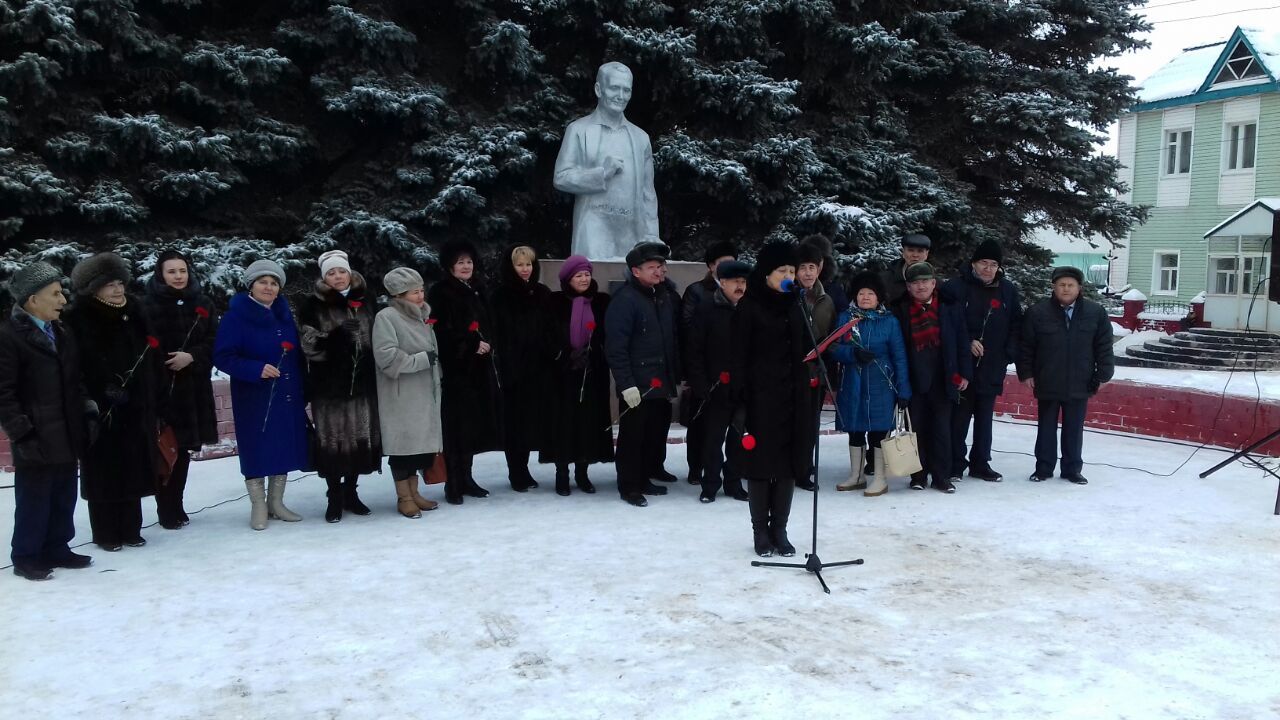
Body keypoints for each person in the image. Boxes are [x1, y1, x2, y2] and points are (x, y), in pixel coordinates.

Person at [1, 262, 96, 580]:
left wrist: (87, 411)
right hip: (35, 434)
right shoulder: (9, 337)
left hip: (67, 430)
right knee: (34, 496)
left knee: (64, 492)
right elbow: (3, 393)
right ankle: (26, 555)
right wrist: (21, 433)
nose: (62, 300)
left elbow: (77, 379)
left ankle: (57, 546)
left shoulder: (62, 332)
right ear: (32, 300)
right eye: (55, 294)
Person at [63, 253, 161, 552]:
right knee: (105, 467)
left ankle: (131, 528)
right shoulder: (78, 316)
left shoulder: (135, 309)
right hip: (102, 404)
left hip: (135, 402)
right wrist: (100, 389)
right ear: (93, 288)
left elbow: (149, 351)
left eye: (120, 282)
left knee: (133, 463)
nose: (118, 289)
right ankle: (106, 531)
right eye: (110, 284)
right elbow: (76, 363)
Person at [730, 242, 820, 557]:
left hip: (792, 396)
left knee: (786, 467)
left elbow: (805, 348)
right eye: (782, 270)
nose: (789, 276)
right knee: (761, 466)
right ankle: (760, 532)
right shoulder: (749, 306)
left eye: (792, 271)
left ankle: (779, 529)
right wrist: (739, 401)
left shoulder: (795, 304)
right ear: (767, 273)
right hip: (759, 398)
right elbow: (738, 355)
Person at [213, 259, 309, 530]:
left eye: (274, 283)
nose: (268, 287)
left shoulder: (284, 314)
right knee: (256, 446)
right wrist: (255, 368)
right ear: (251, 286)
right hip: (253, 395)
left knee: (283, 444)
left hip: (286, 393)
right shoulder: (235, 317)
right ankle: (258, 504)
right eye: (262, 282)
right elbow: (223, 356)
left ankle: (277, 503)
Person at [297, 250, 382, 523]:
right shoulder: (312, 304)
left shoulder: (365, 299)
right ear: (324, 277)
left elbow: (378, 336)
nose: (337, 277)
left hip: (363, 382)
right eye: (331, 273)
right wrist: (336, 337)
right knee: (333, 441)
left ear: (349, 273)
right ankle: (333, 496)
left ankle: (351, 493)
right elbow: (308, 344)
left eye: (341, 271)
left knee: (358, 438)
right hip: (330, 385)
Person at [142, 250, 219, 529]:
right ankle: (165, 507)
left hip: (193, 387)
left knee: (183, 449)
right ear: (160, 274)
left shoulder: (203, 303)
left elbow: (214, 341)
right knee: (165, 447)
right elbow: (143, 346)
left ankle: (178, 503)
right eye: (171, 271)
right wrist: (164, 362)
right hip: (162, 388)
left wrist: (193, 356)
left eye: (182, 271)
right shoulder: (146, 305)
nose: (178, 276)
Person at [1018, 267, 1115, 485]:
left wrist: (1104, 375)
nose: (1066, 289)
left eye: (1071, 285)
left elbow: (1104, 346)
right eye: (1061, 284)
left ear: (1079, 288)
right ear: (1054, 287)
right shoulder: (1038, 312)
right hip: (1048, 378)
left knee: (1074, 428)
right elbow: (1026, 346)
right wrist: (1026, 373)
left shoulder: (1095, 313)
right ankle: (1043, 468)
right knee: (1046, 428)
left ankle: (1072, 469)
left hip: (1080, 380)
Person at [553, 62, 660, 259]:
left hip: (633, 231)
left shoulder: (640, 137)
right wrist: (601, 173)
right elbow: (561, 177)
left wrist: (652, 234)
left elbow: (648, 194)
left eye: (626, 90)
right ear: (598, 89)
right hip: (594, 227)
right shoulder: (579, 130)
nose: (621, 96)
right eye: (614, 88)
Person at [605, 240, 681, 507]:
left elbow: (669, 340)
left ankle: (644, 477)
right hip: (637, 385)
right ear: (636, 271)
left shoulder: (661, 296)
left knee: (652, 435)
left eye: (661, 266)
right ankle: (629, 485)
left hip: (659, 383)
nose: (659, 271)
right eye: (652, 267)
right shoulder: (625, 300)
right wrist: (626, 384)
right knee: (633, 437)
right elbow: (616, 347)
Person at [940, 239, 1022, 482]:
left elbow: (1017, 324)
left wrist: (1008, 353)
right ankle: (956, 463)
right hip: (963, 365)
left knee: (985, 419)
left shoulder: (1007, 289)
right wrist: (966, 343)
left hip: (993, 364)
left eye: (993, 264)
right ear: (973, 263)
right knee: (959, 417)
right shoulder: (954, 287)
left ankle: (981, 463)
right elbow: (947, 322)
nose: (988, 268)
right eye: (984, 263)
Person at [428, 240, 503, 505]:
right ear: (450, 266)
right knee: (455, 427)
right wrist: (471, 344)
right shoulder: (440, 292)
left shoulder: (478, 289)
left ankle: (468, 477)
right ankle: (453, 482)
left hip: (479, 370)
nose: (466, 266)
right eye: (460, 262)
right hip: (456, 370)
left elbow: (489, 322)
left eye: (469, 261)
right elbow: (439, 330)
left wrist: (489, 341)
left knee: (472, 426)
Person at [888, 262, 971, 494]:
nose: (921, 286)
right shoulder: (900, 310)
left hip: (944, 377)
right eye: (915, 282)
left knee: (942, 430)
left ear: (934, 283)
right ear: (908, 286)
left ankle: (942, 477)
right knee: (916, 429)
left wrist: (964, 372)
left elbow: (961, 341)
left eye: (925, 281)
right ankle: (918, 475)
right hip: (913, 379)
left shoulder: (949, 307)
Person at [372, 267, 443, 518]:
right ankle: (404, 497)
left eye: (421, 290)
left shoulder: (422, 316)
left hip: (424, 394)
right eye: (414, 292)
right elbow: (386, 357)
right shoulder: (386, 317)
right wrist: (423, 360)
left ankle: (415, 493)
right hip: (401, 396)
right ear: (399, 294)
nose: (420, 296)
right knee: (403, 449)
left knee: (419, 449)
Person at [832, 272, 911, 497]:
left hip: (881, 384)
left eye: (870, 293)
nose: (865, 297)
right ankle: (856, 476)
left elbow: (900, 357)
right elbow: (834, 348)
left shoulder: (890, 322)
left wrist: (903, 389)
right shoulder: (845, 318)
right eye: (861, 293)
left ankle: (879, 478)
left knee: (878, 432)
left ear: (879, 298)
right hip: (853, 383)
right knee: (854, 431)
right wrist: (852, 354)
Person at [540, 255, 614, 496]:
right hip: (562, 374)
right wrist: (566, 355)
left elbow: (608, 335)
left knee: (587, 423)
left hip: (592, 373)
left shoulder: (601, 301)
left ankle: (583, 473)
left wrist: (594, 352)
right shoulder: (554, 302)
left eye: (587, 274)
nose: (584, 279)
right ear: (567, 279)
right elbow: (546, 336)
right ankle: (562, 473)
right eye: (578, 275)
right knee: (563, 424)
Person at [686, 259, 750, 503]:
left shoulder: (748, 310)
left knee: (738, 439)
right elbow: (695, 351)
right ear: (722, 282)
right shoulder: (706, 309)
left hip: (742, 389)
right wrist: (701, 384)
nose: (740, 286)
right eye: (735, 281)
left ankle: (733, 482)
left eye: (743, 282)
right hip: (714, 388)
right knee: (713, 440)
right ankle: (710, 484)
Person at [490, 244, 553, 492]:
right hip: (513, 369)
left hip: (538, 369)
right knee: (515, 423)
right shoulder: (501, 296)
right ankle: (516, 471)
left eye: (528, 264)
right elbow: (497, 332)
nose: (525, 269)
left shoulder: (542, 293)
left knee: (530, 422)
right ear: (511, 267)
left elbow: (549, 328)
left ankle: (525, 469)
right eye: (520, 265)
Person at [680, 240, 738, 487]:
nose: (728, 268)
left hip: (732, 377)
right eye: (723, 263)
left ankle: (731, 475)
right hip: (705, 370)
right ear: (711, 267)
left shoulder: (742, 293)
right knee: (701, 424)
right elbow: (687, 329)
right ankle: (697, 469)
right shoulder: (697, 291)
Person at [880, 233, 933, 306]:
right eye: (911, 250)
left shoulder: (936, 284)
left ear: (926, 254)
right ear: (903, 252)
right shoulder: (883, 280)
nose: (915, 255)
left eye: (920, 251)